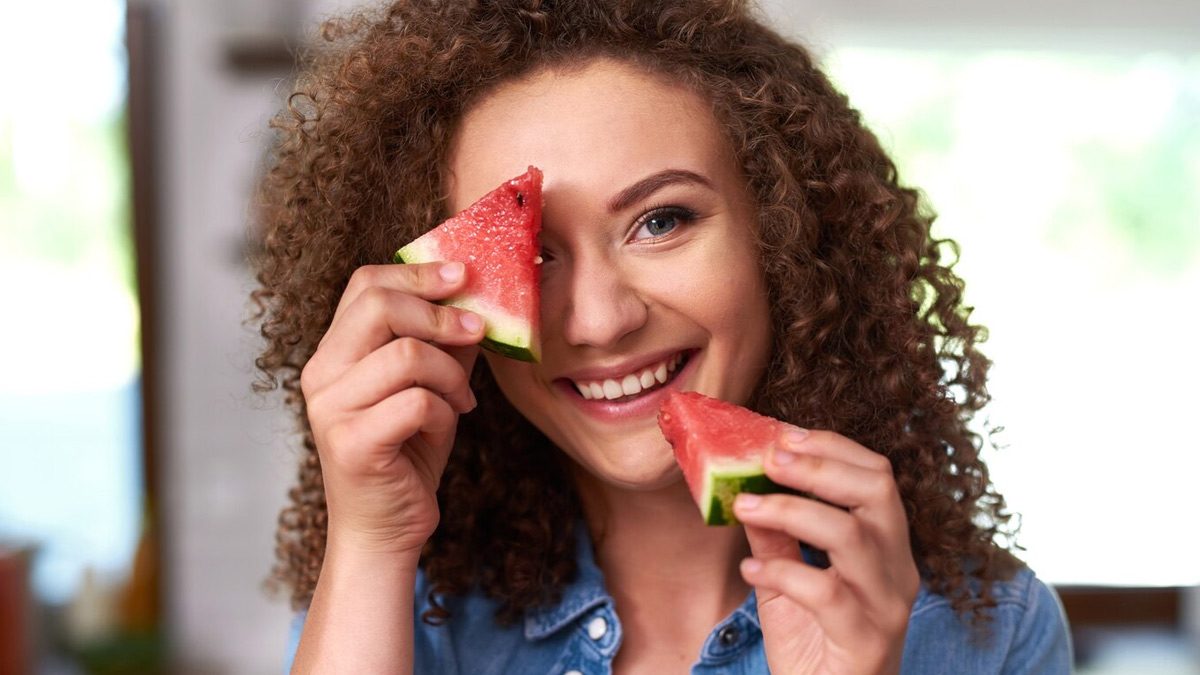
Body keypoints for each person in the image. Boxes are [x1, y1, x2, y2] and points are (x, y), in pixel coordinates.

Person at [250, 0, 1073, 672]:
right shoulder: (400, 607)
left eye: (662, 220)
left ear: (781, 239)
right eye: (530, 253)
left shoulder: (990, 631)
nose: (601, 319)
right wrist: (368, 546)